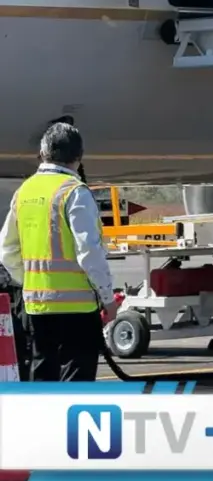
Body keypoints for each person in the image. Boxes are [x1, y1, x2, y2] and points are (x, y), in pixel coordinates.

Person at [0, 122, 117, 381]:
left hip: (37, 304)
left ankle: (43, 421)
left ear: (42, 154)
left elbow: (6, 249)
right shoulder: (74, 192)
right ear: (78, 157)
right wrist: (107, 298)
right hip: (78, 308)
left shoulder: (24, 192)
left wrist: (28, 280)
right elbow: (89, 252)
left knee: (42, 372)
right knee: (76, 378)